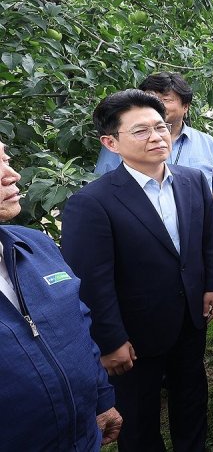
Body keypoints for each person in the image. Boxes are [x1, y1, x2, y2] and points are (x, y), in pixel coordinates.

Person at [62, 89, 213, 451]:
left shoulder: (192, 179)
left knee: (191, 397)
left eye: (160, 127)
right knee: (138, 417)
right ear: (111, 143)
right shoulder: (92, 203)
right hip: (133, 334)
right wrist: (110, 339)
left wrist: (210, 283)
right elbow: (92, 282)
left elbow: (206, 240)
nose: (156, 136)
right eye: (141, 131)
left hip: (189, 316)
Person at [0, 139, 123, 450]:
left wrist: (101, 399)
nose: (12, 174)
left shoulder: (34, 246)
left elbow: (76, 326)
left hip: (82, 436)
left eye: (6, 160)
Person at [94, 72, 213, 211]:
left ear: (185, 106)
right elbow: (102, 187)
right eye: (151, 98)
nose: (157, 104)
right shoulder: (121, 143)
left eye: (166, 99)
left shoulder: (209, 144)